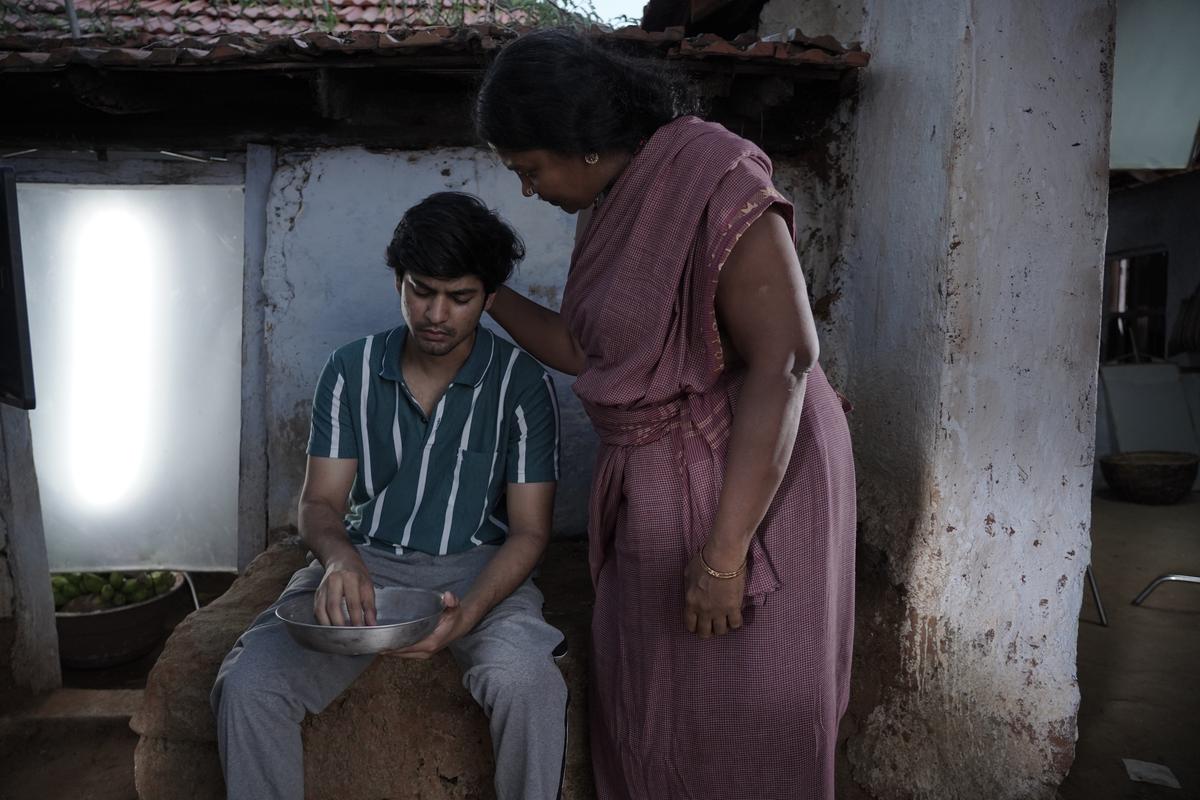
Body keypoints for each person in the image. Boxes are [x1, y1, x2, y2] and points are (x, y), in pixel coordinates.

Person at [475, 29, 856, 800]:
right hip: (658, 492)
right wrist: (482, 292)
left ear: (580, 144)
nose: (525, 189)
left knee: (748, 704)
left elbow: (784, 361)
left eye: (528, 168)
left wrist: (724, 557)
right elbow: (592, 353)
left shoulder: (712, 178)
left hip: (749, 487)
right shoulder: (612, 200)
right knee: (653, 709)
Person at [210, 192, 568, 800]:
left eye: (460, 297)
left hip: (478, 566)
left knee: (528, 682)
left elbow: (531, 532)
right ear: (398, 280)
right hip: (365, 561)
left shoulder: (522, 383)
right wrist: (341, 561)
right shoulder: (348, 370)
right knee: (249, 685)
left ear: (489, 297)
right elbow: (320, 505)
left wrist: (470, 615)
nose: (435, 313)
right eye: (420, 289)